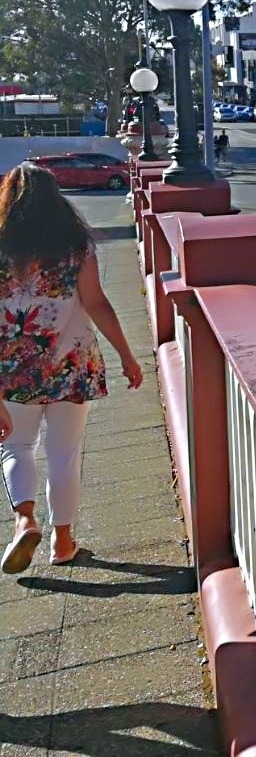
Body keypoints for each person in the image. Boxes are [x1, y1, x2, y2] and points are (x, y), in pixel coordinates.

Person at [0, 163, 143, 573]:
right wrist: (127, 356)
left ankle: (24, 521)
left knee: (16, 445)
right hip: (72, 367)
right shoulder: (75, 244)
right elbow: (96, 302)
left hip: (13, 370)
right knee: (64, 454)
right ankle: (63, 543)